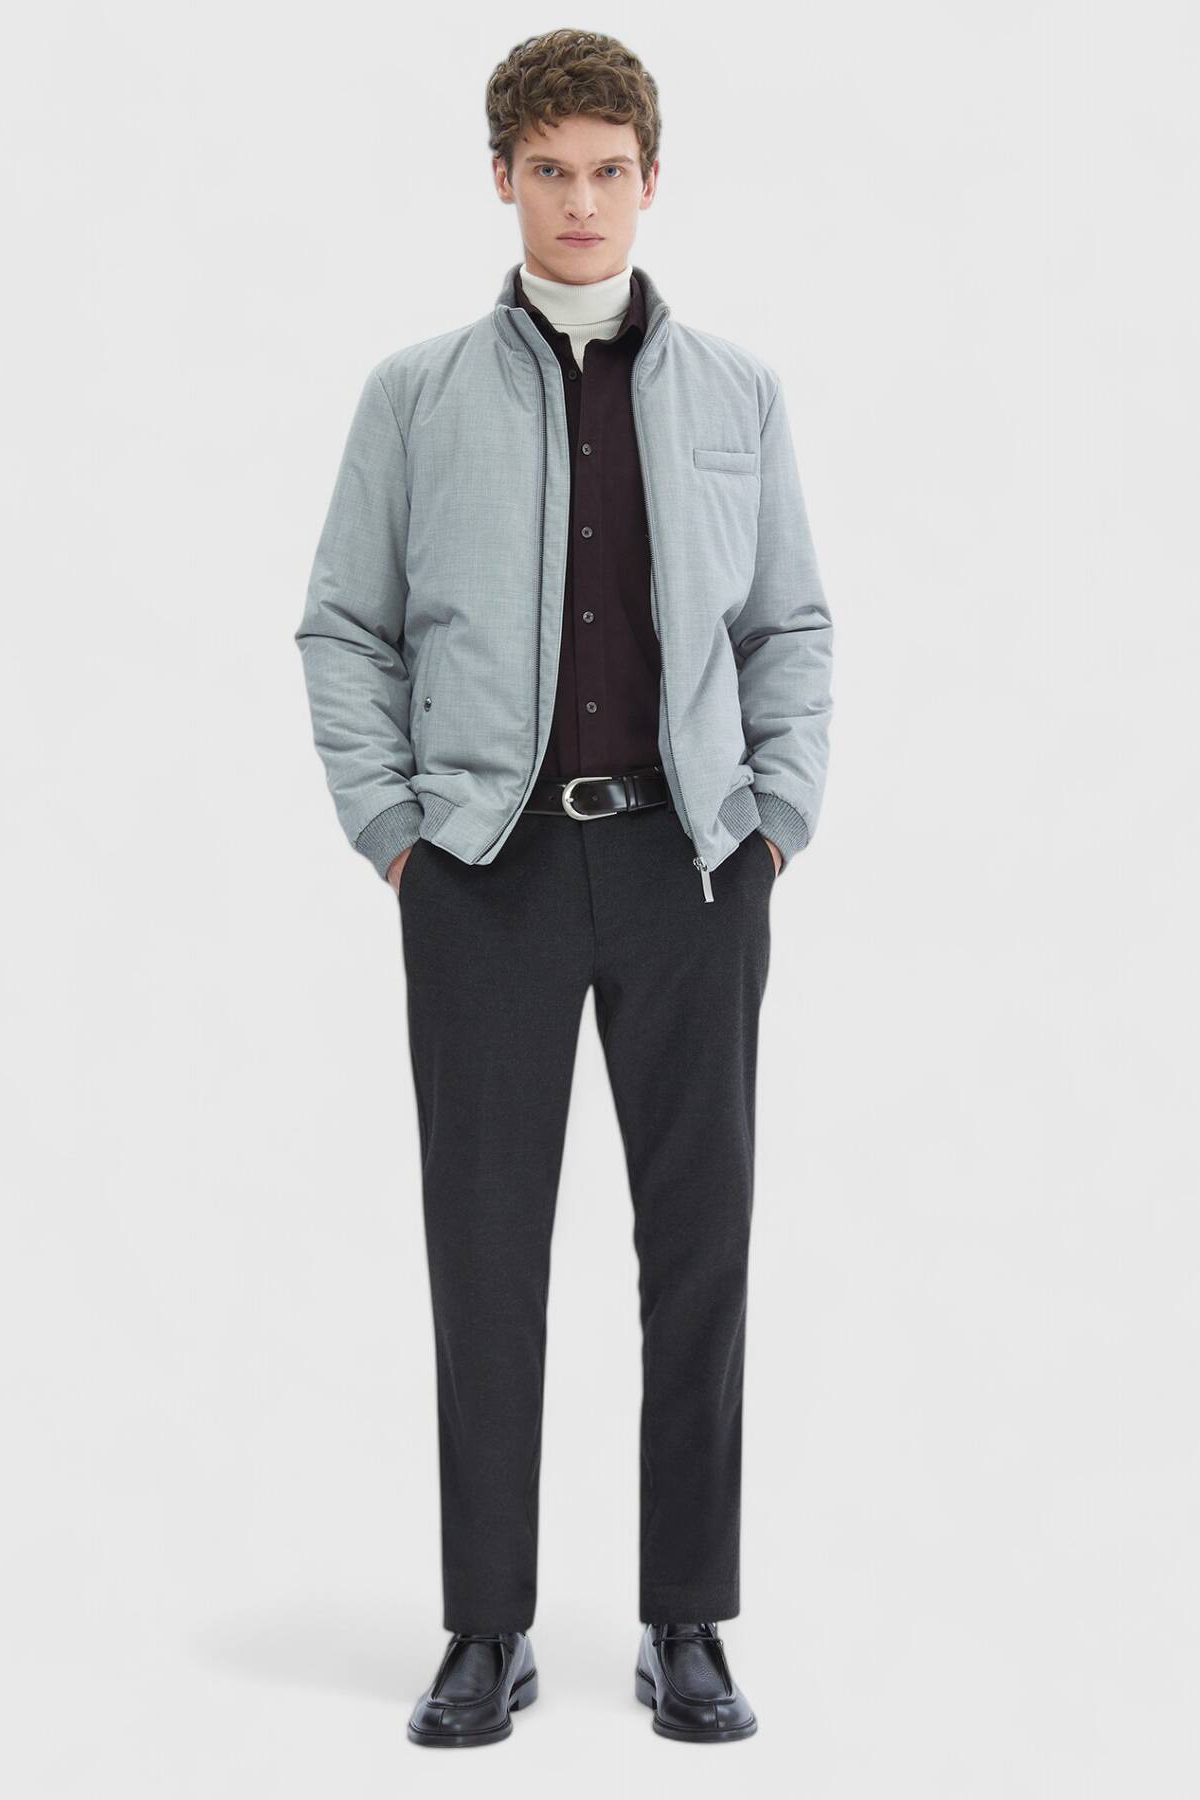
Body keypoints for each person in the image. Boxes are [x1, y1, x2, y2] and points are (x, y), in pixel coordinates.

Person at [294, 27, 833, 1748]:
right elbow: (343, 626)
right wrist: (396, 836)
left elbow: (788, 625)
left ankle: (687, 1620)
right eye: (549, 171)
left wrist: (772, 822)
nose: (580, 200)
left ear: (649, 181)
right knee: (483, 1251)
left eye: (607, 171)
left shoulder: (735, 393)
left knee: (700, 1247)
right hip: (486, 871)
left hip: (689, 870)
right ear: (502, 179)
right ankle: (486, 1628)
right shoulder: (415, 395)